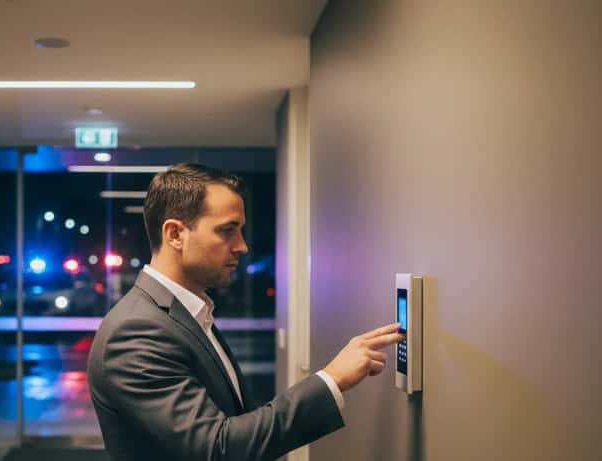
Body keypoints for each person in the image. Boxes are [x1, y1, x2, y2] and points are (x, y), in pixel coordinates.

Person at [87, 163, 405, 461]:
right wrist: (332, 379)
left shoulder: (187, 314)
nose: (242, 246)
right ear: (175, 234)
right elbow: (218, 447)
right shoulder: (137, 330)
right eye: (228, 230)